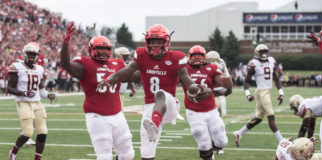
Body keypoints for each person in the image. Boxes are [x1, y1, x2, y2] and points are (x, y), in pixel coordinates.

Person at [97, 24, 212, 160]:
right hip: (149, 109)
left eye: (159, 41)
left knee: (160, 94)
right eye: (153, 42)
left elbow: (187, 79)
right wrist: (109, 79)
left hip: (169, 105)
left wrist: (196, 88)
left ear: (166, 42)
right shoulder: (141, 55)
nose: (156, 45)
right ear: (147, 42)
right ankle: (153, 125)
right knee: (146, 154)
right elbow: (125, 71)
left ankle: (155, 124)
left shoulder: (176, 57)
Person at [60, 22, 135, 160]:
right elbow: (66, 65)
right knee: (104, 156)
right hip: (97, 116)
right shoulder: (85, 63)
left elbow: (132, 77)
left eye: (106, 49)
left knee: (128, 155)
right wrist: (65, 43)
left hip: (117, 114)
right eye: (99, 48)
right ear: (91, 49)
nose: (103, 52)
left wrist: (147, 66)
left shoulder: (117, 63)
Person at [181, 45, 232, 160]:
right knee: (203, 142)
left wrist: (225, 72)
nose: (197, 58)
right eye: (194, 56)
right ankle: (208, 153)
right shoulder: (184, 68)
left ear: (205, 57)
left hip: (211, 110)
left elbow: (228, 87)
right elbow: (172, 82)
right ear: (189, 57)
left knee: (222, 142)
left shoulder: (211, 68)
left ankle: (211, 149)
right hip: (193, 111)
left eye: (199, 55)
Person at [7, 42, 56, 160]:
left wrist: (49, 95)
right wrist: (23, 93)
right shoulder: (17, 67)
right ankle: (13, 152)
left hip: (37, 103)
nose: (32, 57)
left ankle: (37, 158)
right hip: (23, 102)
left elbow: (42, 91)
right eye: (30, 54)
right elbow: (9, 88)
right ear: (24, 54)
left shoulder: (39, 69)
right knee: (28, 132)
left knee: (43, 132)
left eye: (34, 55)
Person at [233, 44, 284, 147]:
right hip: (261, 92)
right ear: (257, 53)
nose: (264, 54)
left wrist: (281, 93)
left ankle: (239, 133)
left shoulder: (271, 61)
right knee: (271, 116)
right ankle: (281, 141)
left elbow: (276, 78)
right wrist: (248, 94)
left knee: (259, 118)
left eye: (265, 51)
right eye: (262, 52)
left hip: (267, 91)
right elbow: (246, 81)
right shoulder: (254, 64)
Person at [206, 50, 230, 116]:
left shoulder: (220, 64)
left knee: (219, 114)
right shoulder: (206, 65)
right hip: (212, 92)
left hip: (217, 92)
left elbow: (226, 76)